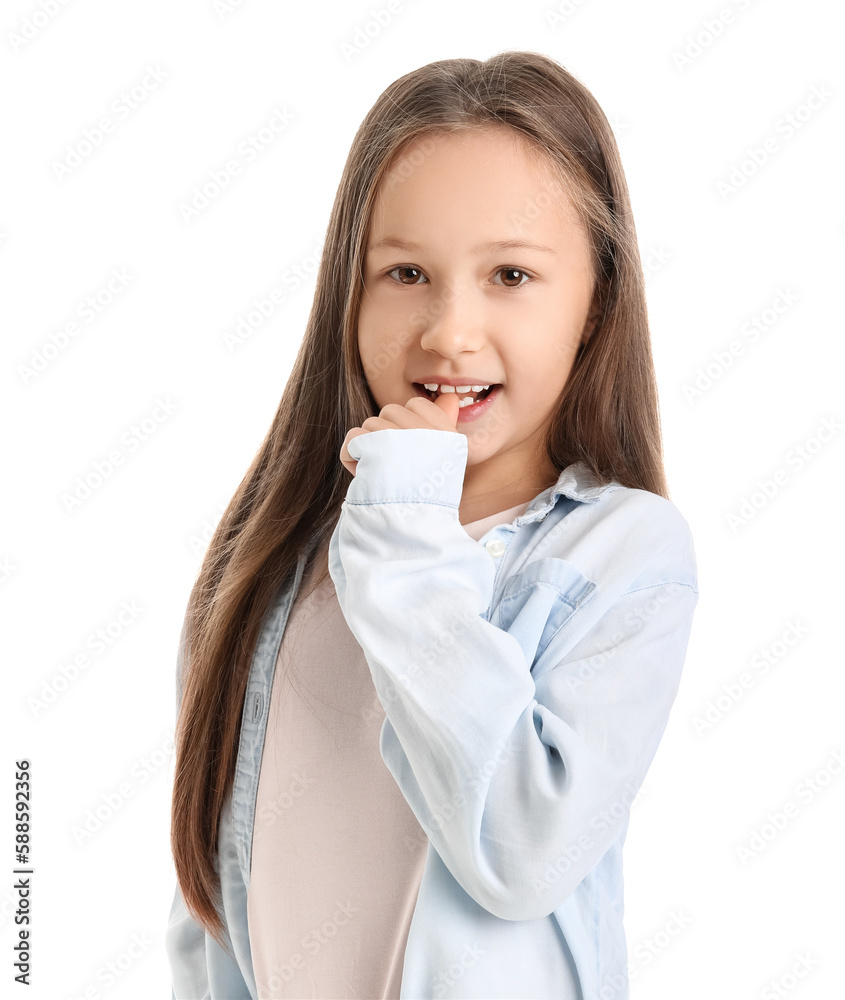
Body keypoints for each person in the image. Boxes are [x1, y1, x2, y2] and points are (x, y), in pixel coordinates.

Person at [165, 50, 699, 1000]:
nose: (450, 331)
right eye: (405, 271)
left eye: (510, 276)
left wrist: (406, 522)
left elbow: (522, 848)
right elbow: (212, 912)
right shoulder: (272, 568)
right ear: (350, 294)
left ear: (595, 304)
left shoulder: (623, 556)